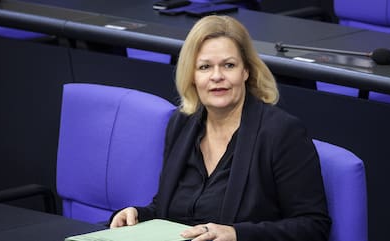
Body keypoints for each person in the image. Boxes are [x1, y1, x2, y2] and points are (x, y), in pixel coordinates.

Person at [110, 15, 331, 241]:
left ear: (246, 71)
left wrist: (237, 234)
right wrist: (139, 215)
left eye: (229, 65)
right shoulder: (181, 123)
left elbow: (313, 227)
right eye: (205, 67)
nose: (217, 76)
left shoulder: (282, 132)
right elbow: (167, 208)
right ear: (192, 76)